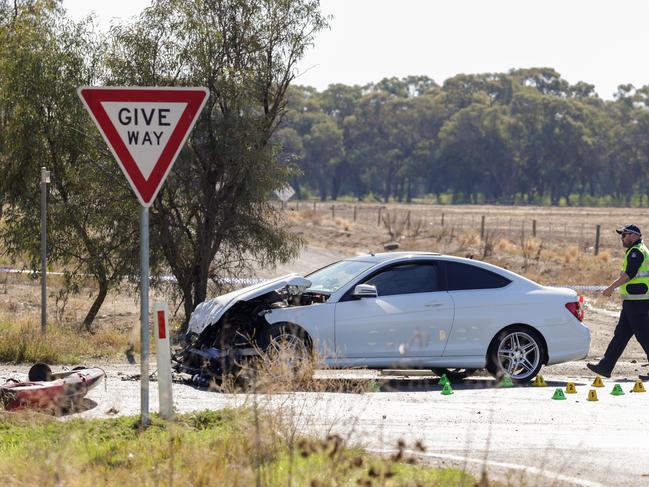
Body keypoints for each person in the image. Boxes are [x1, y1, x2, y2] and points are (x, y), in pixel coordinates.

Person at [587, 224, 649, 378]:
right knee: (620, 335)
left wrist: (611, 287)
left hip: (638, 301)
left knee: (644, 336)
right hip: (632, 301)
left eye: (624, 235)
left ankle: (605, 365)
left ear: (634, 235)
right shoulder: (637, 250)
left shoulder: (636, 252)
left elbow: (630, 274)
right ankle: (605, 366)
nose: (622, 238)